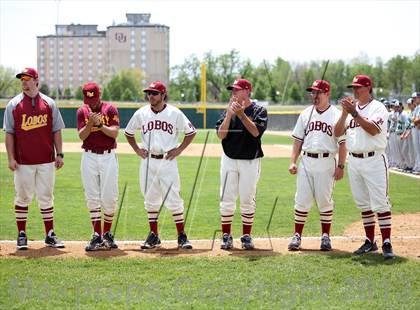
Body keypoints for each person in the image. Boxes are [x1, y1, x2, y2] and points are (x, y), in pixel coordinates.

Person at [124, 81, 196, 250]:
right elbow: (128, 133)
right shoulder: (141, 113)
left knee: (174, 198)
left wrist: (179, 149)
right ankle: (154, 235)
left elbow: (191, 132)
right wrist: (136, 149)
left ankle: (181, 236)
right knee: (150, 199)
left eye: (154, 93)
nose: (151, 96)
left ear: (163, 95)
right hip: (148, 161)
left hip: (167, 161)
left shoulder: (174, 113)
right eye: (149, 93)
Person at [2, 67, 65, 250]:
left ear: (36, 81)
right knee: (22, 197)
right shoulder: (13, 105)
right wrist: (10, 158)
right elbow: (9, 134)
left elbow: (56, 130)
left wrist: (59, 153)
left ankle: (50, 234)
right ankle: (21, 234)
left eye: (27, 79)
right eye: (22, 79)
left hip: (46, 160)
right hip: (23, 162)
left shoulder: (49, 103)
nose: (24, 82)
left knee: (46, 198)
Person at [334, 75, 394, 259]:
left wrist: (353, 113)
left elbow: (373, 129)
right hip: (355, 160)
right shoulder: (352, 109)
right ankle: (370, 241)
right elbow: (337, 133)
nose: (355, 90)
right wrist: (345, 112)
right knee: (363, 203)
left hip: (374, 159)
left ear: (368, 88)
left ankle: (386, 242)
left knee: (380, 202)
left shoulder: (378, 108)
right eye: (353, 87)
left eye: (359, 87)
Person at [287, 80, 346, 251]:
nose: (314, 96)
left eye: (318, 92)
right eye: (312, 93)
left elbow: (343, 143)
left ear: (327, 93)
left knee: (324, 200)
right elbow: (297, 141)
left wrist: (341, 166)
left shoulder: (336, 115)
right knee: (302, 199)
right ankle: (297, 236)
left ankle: (325, 237)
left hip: (327, 161)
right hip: (306, 161)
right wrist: (292, 161)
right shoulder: (305, 114)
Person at [215, 79, 268, 250]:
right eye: (232, 90)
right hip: (229, 158)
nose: (233, 93)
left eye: (237, 90)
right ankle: (226, 236)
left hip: (250, 161)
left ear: (247, 91)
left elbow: (255, 132)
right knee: (226, 199)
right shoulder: (227, 112)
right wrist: (230, 114)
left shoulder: (259, 110)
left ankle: (246, 236)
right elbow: (221, 135)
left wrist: (241, 115)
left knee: (247, 198)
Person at [77, 82, 120, 251]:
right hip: (89, 156)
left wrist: (100, 125)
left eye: (94, 99)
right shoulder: (82, 111)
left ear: (99, 95)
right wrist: (89, 124)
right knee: (92, 196)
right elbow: (82, 136)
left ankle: (107, 234)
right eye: (89, 100)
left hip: (108, 156)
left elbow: (115, 133)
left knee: (109, 197)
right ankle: (97, 235)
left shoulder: (110, 109)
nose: (92, 103)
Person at [411, 92, 420, 174]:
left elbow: (417, 120)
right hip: (416, 129)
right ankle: (417, 167)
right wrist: (415, 121)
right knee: (417, 149)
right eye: (413, 98)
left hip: (418, 130)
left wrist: (415, 121)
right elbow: (414, 120)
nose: (414, 99)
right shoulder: (417, 107)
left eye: (415, 98)